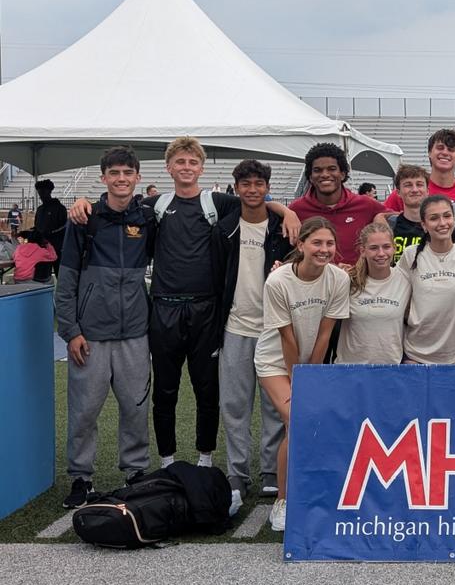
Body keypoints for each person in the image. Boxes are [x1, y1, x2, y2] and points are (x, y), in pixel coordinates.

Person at [68, 136, 301, 470]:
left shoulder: (217, 202)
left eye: (193, 162)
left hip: (206, 310)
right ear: (169, 168)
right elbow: (114, 204)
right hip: (164, 309)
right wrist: (82, 202)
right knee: (165, 390)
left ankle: (206, 459)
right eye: (180, 162)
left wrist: (287, 210)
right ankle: (167, 461)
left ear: (202, 168)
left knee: (207, 390)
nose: (187, 167)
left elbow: (255, 200)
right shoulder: (154, 206)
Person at [54, 146, 152, 508]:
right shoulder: (84, 220)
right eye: (114, 173)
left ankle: (136, 471)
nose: (121, 179)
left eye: (127, 172)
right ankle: (81, 477)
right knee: (84, 411)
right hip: (91, 335)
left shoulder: (148, 219)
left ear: (137, 177)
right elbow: (66, 281)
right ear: (103, 178)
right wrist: (71, 331)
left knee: (136, 408)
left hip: (135, 333)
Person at [256, 217, 350, 532]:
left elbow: (325, 333)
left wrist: (312, 379)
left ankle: (313, 494)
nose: (324, 249)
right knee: (296, 420)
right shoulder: (278, 281)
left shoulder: (338, 279)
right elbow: (286, 337)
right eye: (317, 243)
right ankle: (282, 502)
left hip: (311, 362)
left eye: (329, 244)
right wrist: (299, 380)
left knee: (310, 422)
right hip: (274, 362)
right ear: (301, 245)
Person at [214, 160, 292, 514]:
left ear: (267, 187)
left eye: (259, 183)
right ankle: (237, 472)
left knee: (275, 405)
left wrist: (286, 211)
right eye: (245, 183)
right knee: (234, 404)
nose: (252, 189)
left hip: (273, 329)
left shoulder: (282, 228)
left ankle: (271, 471)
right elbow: (216, 279)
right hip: (235, 327)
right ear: (236, 187)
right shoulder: (225, 227)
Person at [399, 195, 455, 364]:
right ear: (424, 225)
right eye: (434, 218)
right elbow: (398, 295)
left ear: (454, 219)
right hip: (415, 355)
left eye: (447, 216)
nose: (442, 223)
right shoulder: (410, 255)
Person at [289, 142, 385, 267]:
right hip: (313, 279)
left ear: (343, 174)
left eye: (332, 169)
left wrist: (382, 216)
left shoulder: (366, 204)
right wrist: (284, 211)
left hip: (356, 279)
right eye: (318, 170)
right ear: (310, 177)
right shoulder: (296, 209)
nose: (325, 174)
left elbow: (401, 216)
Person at [338, 222, 411, 365]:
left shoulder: (405, 280)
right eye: (373, 248)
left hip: (391, 368)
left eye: (386, 247)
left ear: (394, 248)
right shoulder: (348, 281)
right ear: (362, 251)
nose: (381, 253)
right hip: (351, 369)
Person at [383, 128, 455, 211]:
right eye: (440, 148)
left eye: (451, 150)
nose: (445, 152)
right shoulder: (409, 191)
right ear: (429, 152)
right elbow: (380, 219)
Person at [380, 164, 429, 265]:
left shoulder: (437, 226)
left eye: (419, 184)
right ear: (398, 192)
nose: (415, 190)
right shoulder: (389, 226)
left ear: (427, 191)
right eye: (408, 185)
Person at [33, 179, 68, 278]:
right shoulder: (40, 210)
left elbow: (64, 227)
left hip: (57, 248)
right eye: (39, 193)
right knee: (42, 277)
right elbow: (37, 226)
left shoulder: (60, 208)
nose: (41, 195)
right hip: (41, 249)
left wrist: (49, 233)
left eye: (43, 192)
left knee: (60, 276)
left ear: (49, 191)